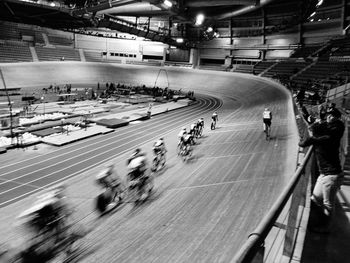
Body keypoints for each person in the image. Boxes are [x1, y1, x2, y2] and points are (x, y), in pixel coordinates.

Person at [299, 108, 345, 229]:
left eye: (331, 116)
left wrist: (308, 140)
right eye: (328, 115)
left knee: (328, 204)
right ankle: (318, 223)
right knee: (314, 199)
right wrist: (315, 122)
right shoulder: (324, 136)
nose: (328, 118)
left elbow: (315, 136)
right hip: (324, 175)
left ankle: (325, 228)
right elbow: (314, 128)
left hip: (331, 176)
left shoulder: (330, 134)